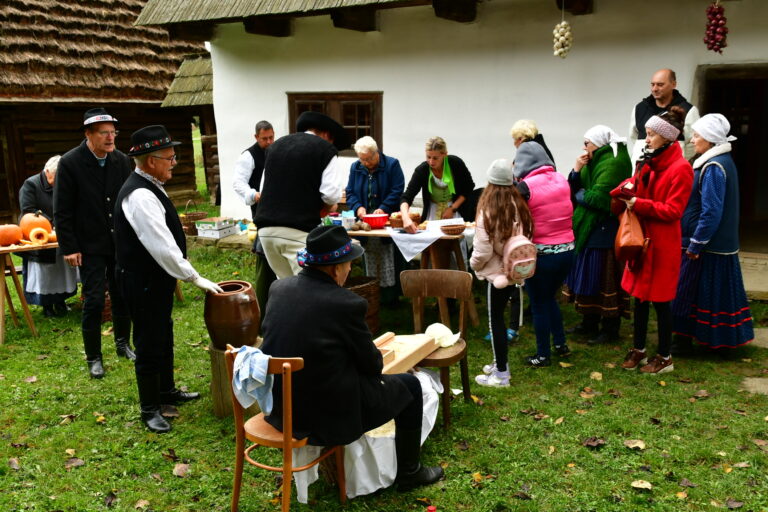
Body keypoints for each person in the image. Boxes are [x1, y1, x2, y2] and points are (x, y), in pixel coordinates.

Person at [260, 225, 443, 491]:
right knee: (412, 386)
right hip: (325, 415)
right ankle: (409, 472)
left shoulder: (279, 289)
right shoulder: (345, 303)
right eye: (349, 264)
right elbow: (372, 366)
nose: (350, 270)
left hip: (281, 407)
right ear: (335, 268)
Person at [114, 125, 224, 433]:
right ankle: (150, 408)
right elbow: (160, 244)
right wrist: (194, 277)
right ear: (151, 161)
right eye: (170, 158)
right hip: (141, 279)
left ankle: (166, 391)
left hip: (154, 278)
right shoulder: (139, 195)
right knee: (148, 340)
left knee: (163, 331)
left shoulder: (151, 184)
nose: (173, 163)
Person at [53, 107, 134, 379]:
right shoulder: (70, 163)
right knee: (95, 300)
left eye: (113, 132)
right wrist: (69, 246)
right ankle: (94, 357)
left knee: (123, 294)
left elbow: (128, 202)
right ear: (88, 134)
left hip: (118, 242)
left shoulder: (121, 161)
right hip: (88, 245)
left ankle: (123, 344)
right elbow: (62, 209)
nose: (111, 138)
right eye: (104, 133)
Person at [612, 107, 694, 374]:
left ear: (667, 138)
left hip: (662, 244)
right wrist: (626, 189)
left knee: (661, 301)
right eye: (646, 134)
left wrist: (639, 203)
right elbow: (637, 187)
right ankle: (639, 349)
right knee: (640, 298)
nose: (646, 139)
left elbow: (674, 211)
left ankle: (665, 355)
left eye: (651, 135)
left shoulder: (681, 169)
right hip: (642, 240)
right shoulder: (649, 162)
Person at [671, 114, 754, 353]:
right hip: (711, 243)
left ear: (709, 139)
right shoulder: (717, 161)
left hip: (709, 245)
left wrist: (697, 243)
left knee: (692, 292)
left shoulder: (715, 166)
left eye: (697, 135)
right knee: (700, 294)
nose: (693, 140)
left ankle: (692, 340)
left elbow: (712, 210)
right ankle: (707, 338)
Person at [254, 112, 348, 278]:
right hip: (298, 231)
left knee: (285, 286)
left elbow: (263, 189)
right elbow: (331, 195)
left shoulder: (275, 146)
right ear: (327, 135)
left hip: (265, 232)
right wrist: (327, 208)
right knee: (307, 287)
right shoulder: (326, 149)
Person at [563, 126, 632, 344]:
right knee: (589, 277)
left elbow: (601, 199)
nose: (584, 148)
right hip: (588, 229)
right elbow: (573, 189)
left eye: (587, 143)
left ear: (598, 143)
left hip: (605, 230)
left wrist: (581, 193)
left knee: (605, 278)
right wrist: (576, 170)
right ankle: (588, 323)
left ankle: (610, 329)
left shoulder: (613, 163)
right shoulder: (592, 162)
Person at [471, 159, 534, 386]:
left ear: (490, 183)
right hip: (514, 272)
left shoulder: (488, 211)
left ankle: (501, 373)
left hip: (495, 275)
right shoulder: (519, 206)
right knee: (501, 319)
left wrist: (475, 265)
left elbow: (482, 249)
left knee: (495, 321)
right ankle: (499, 361)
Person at [514, 142, 574, 367]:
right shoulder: (561, 179)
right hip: (567, 251)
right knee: (550, 298)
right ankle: (560, 344)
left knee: (538, 302)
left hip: (541, 254)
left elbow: (517, 219)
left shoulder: (525, 187)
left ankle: (542, 355)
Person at [345, 136, 405, 300]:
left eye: (368, 159)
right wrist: (358, 208)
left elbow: (397, 190)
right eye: (362, 159)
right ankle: (371, 293)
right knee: (370, 254)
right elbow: (350, 192)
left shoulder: (392, 165)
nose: (365, 163)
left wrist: (383, 208)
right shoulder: (355, 167)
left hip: (386, 220)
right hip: (366, 223)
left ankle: (390, 295)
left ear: (376, 153)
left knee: (388, 256)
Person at [18, 155, 78, 317]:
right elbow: (28, 210)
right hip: (39, 233)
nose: (59, 181)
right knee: (46, 271)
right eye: (56, 177)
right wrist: (51, 223)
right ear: (46, 171)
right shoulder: (31, 185)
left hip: (61, 235)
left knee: (62, 269)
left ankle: (61, 301)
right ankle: (47, 305)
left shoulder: (65, 184)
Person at [232, 120, 276, 311]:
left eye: (271, 137)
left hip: (278, 210)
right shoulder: (248, 156)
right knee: (265, 258)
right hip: (261, 210)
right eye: (264, 138)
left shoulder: (277, 151)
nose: (268, 142)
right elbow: (238, 183)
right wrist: (254, 194)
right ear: (256, 137)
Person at [400, 136, 475, 234]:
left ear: (445, 155)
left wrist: (452, 208)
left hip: (456, 210)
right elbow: (407, 197)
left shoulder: (456, 164)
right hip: (433, 211)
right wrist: (405, 218)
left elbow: (469, 187)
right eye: (428, 157)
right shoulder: (422, 170)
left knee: (455, 241)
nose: (431, 162)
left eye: (435, 158)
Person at [628, 68, 700, 165]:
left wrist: (678, 158)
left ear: (673, 84)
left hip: (672, 167)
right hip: (640, 166)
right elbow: (633, 136)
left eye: (660, 85)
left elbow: (693, 142)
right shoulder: (639, 108)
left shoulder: (688, 110)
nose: (655, 89)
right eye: (653, 84)